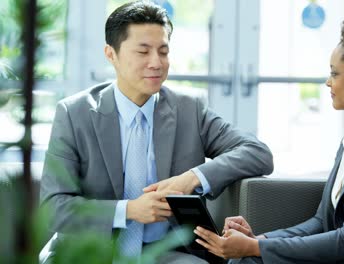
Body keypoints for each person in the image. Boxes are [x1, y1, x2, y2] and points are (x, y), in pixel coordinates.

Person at [39, 1, 273, 263]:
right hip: (92, 251)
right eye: (143, 51)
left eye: (163, 51)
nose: (156, 63)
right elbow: (53, 209)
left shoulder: (189, 109)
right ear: (110, 54)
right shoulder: (75, 113)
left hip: (166, 252)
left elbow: (258, 153)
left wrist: (192, 178)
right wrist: (128, 210)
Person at [193, 16, 344, 264]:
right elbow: (321, 222)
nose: (328, 82)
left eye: (335, 73)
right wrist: (260, 241)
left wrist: (254, 248)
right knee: (247, 260)